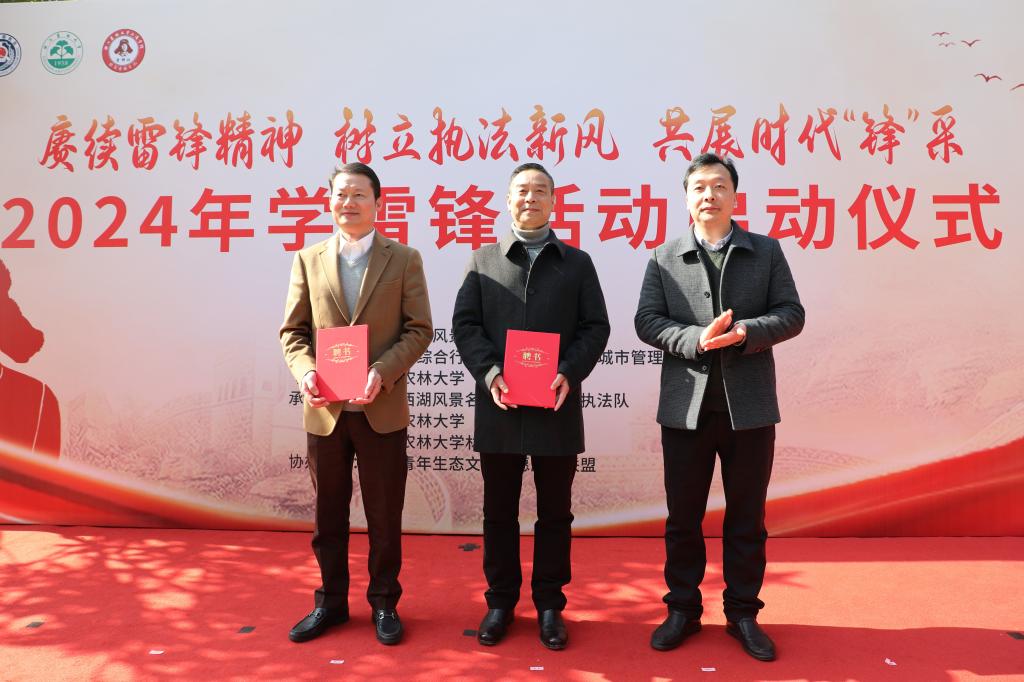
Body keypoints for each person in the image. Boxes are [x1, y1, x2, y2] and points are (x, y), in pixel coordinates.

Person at [634, 153, 804, 661]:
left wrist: (746, 332)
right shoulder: (664, 256)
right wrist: (696, 339)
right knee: (682, 517)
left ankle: (743, 613)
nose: (709, 195)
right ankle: (683, 609)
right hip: (685, 409)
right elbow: (647, 321)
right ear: (687, 198)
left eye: (719, 186)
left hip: (749, 409)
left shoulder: (766, 251)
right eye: (699, 187)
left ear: (734, 195)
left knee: (747, 517)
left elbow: (792, 313)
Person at [452, 162, 610, 650]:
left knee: (555, 512)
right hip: (499, 406)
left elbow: (596, 327)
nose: (531, 198)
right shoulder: (483, 260)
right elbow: (465, 325)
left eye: (541, 190)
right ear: (507, 200)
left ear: (554, 202)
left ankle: (549, 605)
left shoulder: (577, 263)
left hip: (556, 406)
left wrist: (569, 372)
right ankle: (500, 602)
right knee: (498, 512)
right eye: (522, 190)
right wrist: (490, 373)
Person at [280, 162, 432, 645]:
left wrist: (381, 372)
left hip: (379, 408)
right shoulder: (307, 259)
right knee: (328, 516)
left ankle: (385, 603)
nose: (349, 203)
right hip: (325, 413)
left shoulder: (403, 259)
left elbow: (419, 330)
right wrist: (305, 371)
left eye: (359, 195)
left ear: (378, 203)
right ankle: (330, 602)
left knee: (384, 516)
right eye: (341, 194)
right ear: (330, 202)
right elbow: (293, 333)